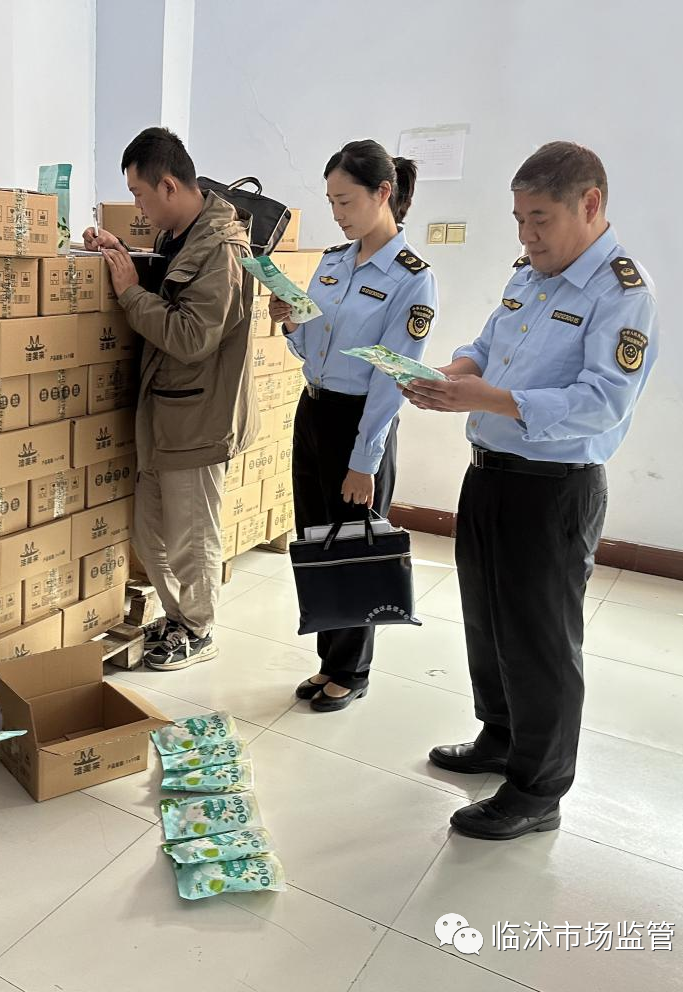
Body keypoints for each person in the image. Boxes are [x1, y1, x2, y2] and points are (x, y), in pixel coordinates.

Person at [402, 141, 658, 840]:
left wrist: (490, 398)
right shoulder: (532, 275)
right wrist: (452, 374)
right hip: (489, 474)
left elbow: (603, 403)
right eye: (518, 220)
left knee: (540, 639)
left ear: (589, 204)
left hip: (553, 490)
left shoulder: (622, 293)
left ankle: (538, 790)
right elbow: (488, 347)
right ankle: (500, 735)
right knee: (487, 621)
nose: (526, 236)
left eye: (539, 219)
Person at [85, 126, 259, 671]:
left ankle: (199, 628)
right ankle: (179, 616)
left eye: (139, 194)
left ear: (168, 185)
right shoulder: (178, 237)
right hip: (164, 411)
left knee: (191, 534)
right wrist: (120, 255)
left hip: (199, 419)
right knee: (151, 531)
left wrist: (129, 293)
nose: (138, 206)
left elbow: (190, 336)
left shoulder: (221, 250)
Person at [271, 139, 437, 711]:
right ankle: (328, 661)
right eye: (331, 202)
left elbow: (392, 377)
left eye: (345, 201)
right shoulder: (334, 262)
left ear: (382, 193)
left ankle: (353, 668)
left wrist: (365, 460)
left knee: (354, 544)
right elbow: (310, 347)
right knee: (317, 539)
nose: (337, 214)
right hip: (314, 410)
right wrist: (290, 323)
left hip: (361, 421)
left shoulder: (412, 279)